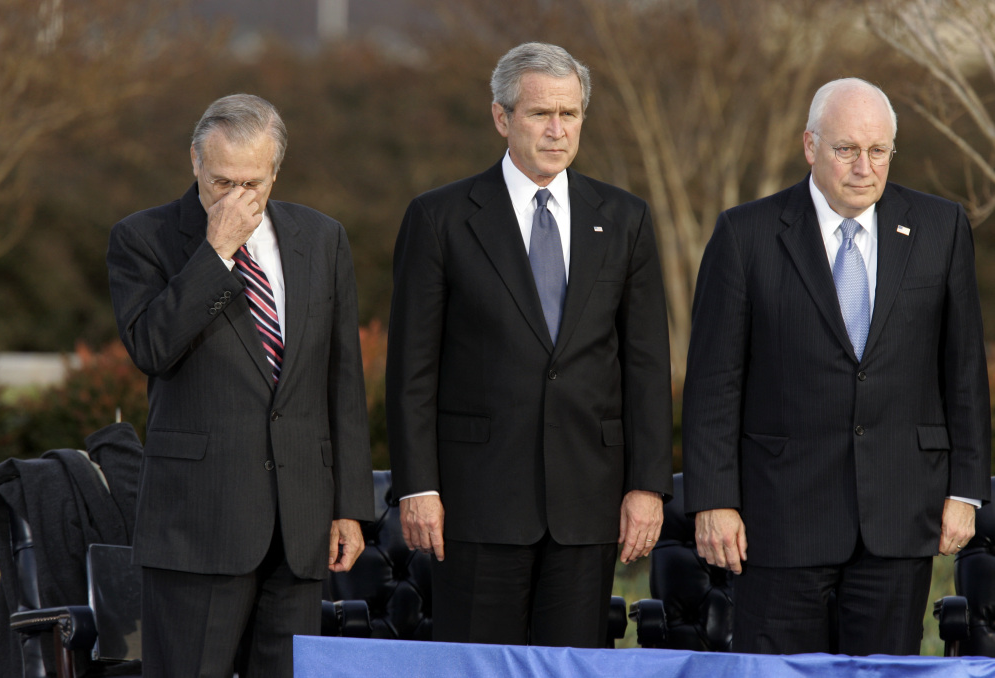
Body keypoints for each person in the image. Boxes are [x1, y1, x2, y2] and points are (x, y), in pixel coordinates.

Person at [682, 78, 991, 655]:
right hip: (778, 520)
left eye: (878, 151)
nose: (863, 167)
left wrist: (966, 492)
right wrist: (714, 500)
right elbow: (712, 383)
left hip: (900, 517)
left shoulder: (940, 228)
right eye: (846, 149)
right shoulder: (745, 234)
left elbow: (964, 372)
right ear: (810, 146)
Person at [386, 42, 673, 647]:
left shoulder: (624, 218)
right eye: (541, 114)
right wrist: (418, 487)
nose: (557, 129)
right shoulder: (439, 219)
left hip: (587, 503)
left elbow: (646, 365)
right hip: (474, 504)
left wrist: (647, 486)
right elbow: (412, 369)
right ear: (501, 117)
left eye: (570, 115)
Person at [106, 94, 374, 677]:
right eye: (221, 180)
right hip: (198, 526)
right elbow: (152, 347)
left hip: (298, 527)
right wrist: (217, 250)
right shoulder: (143, 238)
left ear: (276, 172)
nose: (236, 197)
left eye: (252, 183)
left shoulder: (322, 237)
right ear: (195, 164)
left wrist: (349, 506)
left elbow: (342, 379)